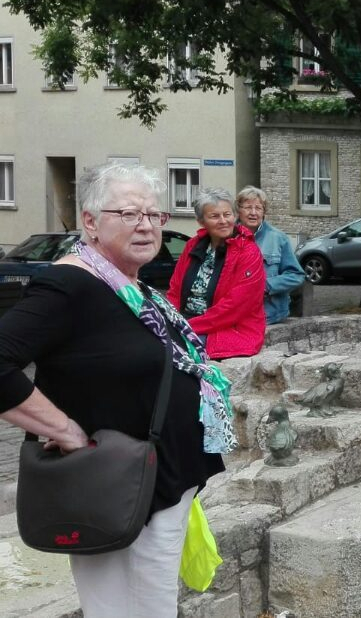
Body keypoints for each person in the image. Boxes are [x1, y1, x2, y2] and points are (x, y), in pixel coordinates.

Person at [0, 162, 233, 616]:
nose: (145, 226)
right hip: (110, 482)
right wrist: (64, 429)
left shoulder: (127, 284)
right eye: (128, 214)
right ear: (90, 222)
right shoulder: (68, 284)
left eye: (153, 215)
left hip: (157, 480)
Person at [168, 187, 267, 359]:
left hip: (227, 330)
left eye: (227, 214)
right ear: (201, 221)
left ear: (234, 216)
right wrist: (169, 318)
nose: (223, 221)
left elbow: (234, 307)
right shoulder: (192, 246)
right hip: (187, 322)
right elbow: (175, 291)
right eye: (214, 216)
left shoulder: (248, 252)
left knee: (169, 351)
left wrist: (185, 327)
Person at [236, 186, 305, 324]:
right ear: (239, 210)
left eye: (258, 208)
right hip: (235, 315)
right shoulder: (227, 236)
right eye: (248, 207)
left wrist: (267, 286)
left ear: (264, 212)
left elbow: (296, 275)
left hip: (270, 315)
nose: (253, 213)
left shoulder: (278, 238)